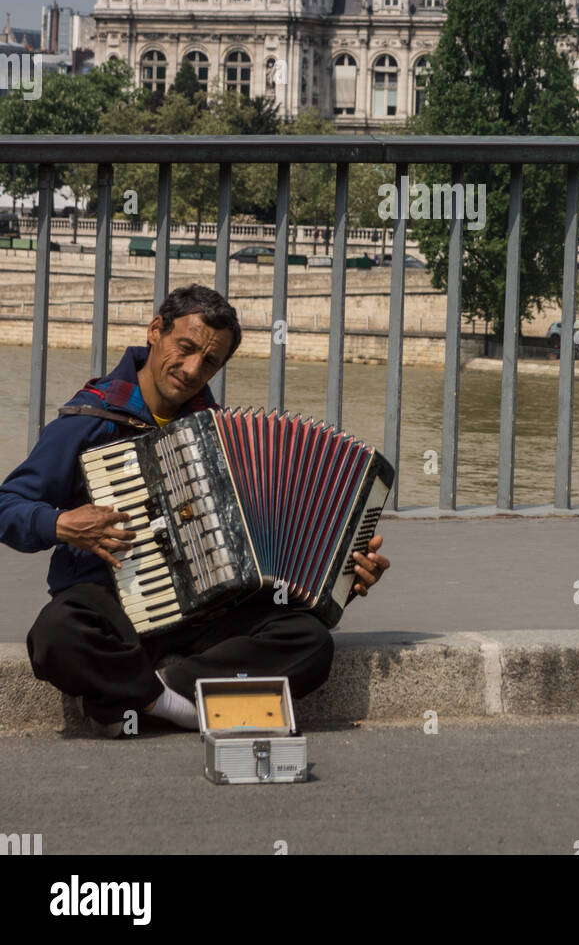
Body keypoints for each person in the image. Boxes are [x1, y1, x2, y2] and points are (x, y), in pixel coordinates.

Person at [0, 284, 390, 738]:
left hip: (208, 611)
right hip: (112, 605)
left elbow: (264, 551)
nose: (191, 370)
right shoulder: (90, 420)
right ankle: (186, 705)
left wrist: (343, 574)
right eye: (184, 349)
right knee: (56, 636)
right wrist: (60, 523)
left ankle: (148, 698)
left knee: (309, 641)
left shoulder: (222, 435)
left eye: (209, 362)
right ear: (154, 332)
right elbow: (7, 506)